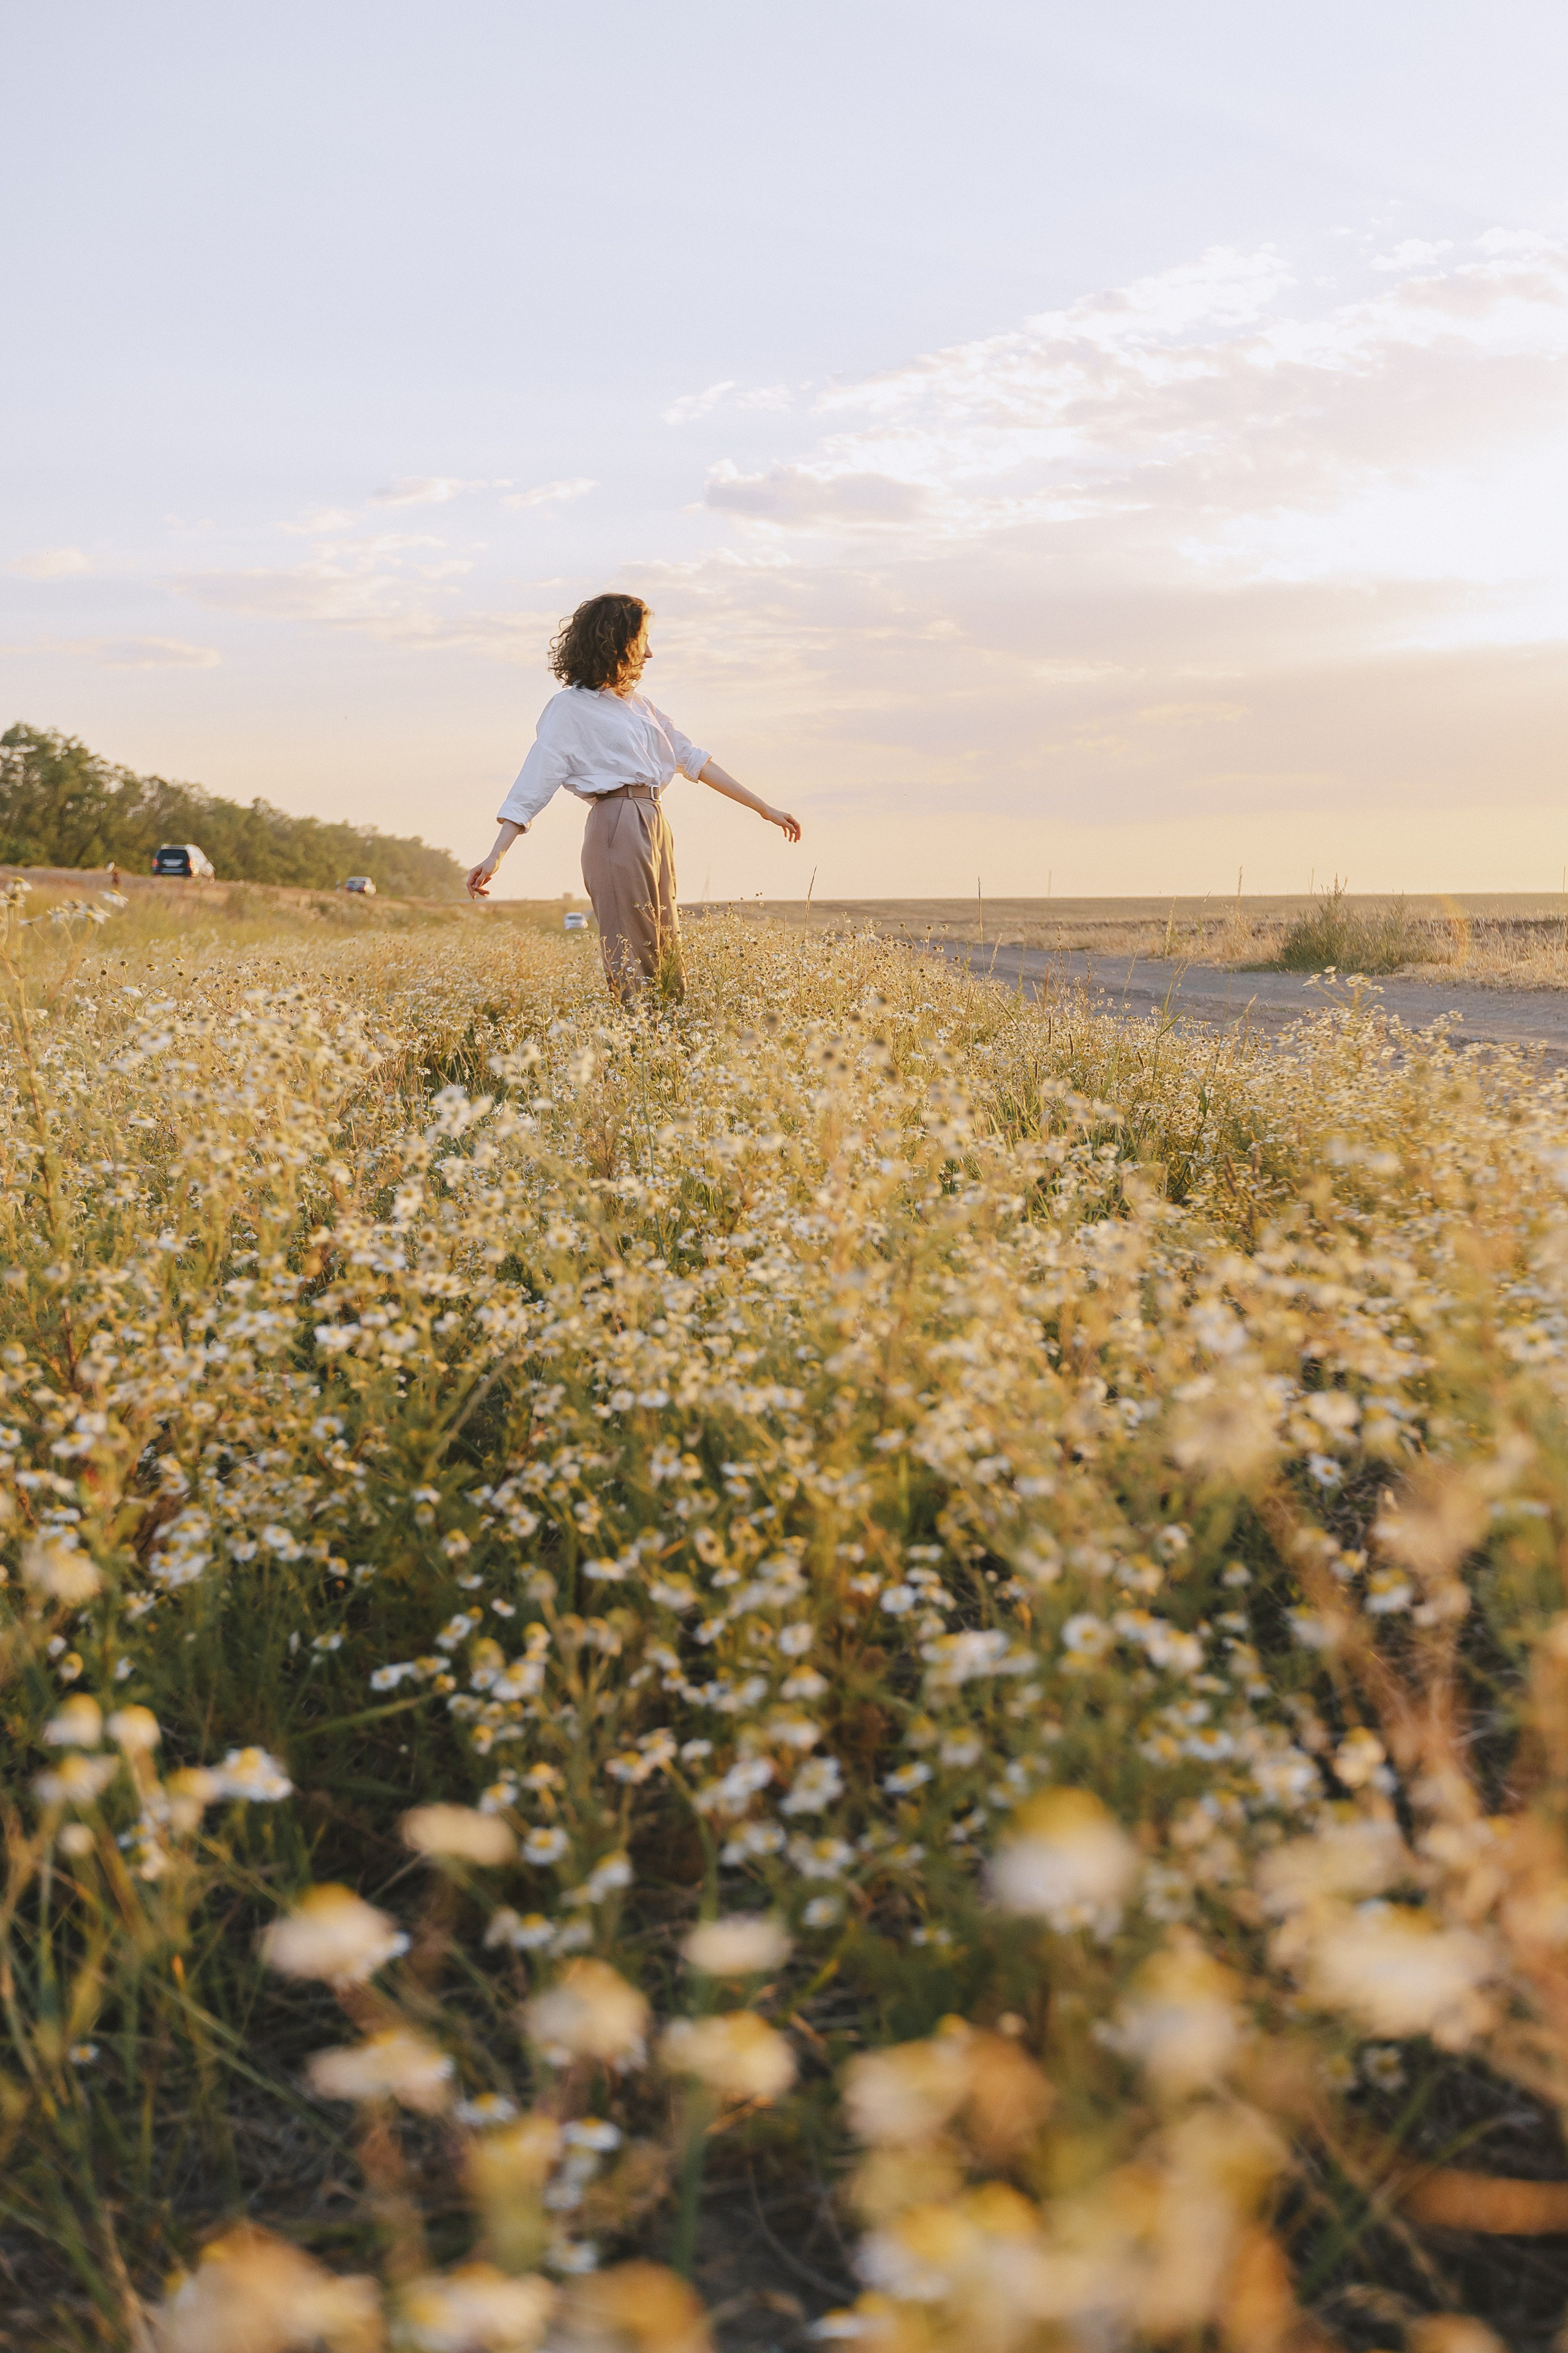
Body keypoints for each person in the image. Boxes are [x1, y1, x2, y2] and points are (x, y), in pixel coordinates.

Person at [467, 594, 801, 1000]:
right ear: (616, 642)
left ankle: (669, 1044)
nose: (650, 652)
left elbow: (693, 759)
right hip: (616, 822)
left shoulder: (641, 707)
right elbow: (534, 781)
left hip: (655, 820)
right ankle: (636, 1044)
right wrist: (497, 853)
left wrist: (764, 808)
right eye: (643, 640)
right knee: (630, 944)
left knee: (665, 944)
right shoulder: (570, 708)